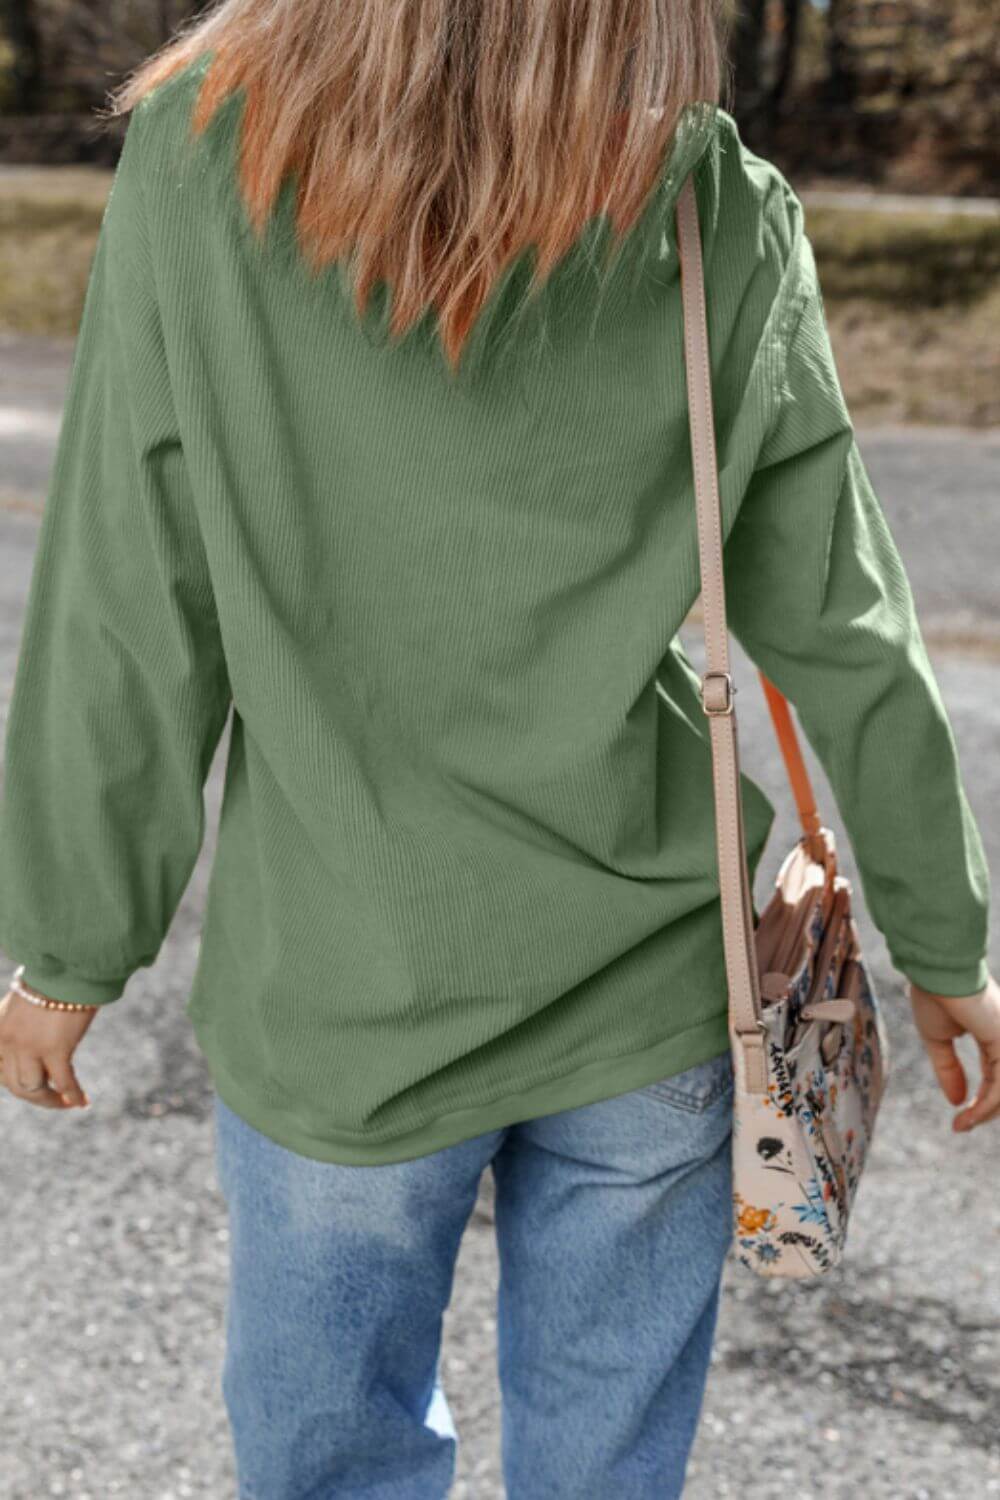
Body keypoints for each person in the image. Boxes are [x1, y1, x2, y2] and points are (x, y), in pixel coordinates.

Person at [0, 1, 997, 1495]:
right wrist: (946, 939)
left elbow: (133, 596)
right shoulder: (705, 198)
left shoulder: (202, 160)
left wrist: (70, 944)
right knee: (607, 1469)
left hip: (345, 991)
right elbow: (848, 624)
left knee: (333, 1468)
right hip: (658, 990)